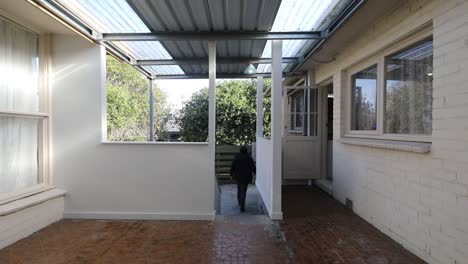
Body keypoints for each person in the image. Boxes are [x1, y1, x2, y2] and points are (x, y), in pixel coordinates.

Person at [230, 146, 256, 212]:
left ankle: (239, 202)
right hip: (246, 177)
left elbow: (232, 166)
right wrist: (255, 173)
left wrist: (231, 174)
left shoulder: (237, 157)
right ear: (246, 151)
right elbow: (253, 167)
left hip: (238, 177)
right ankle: (242, 206)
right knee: (244, 191)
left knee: (239, 189)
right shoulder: (249, 158)